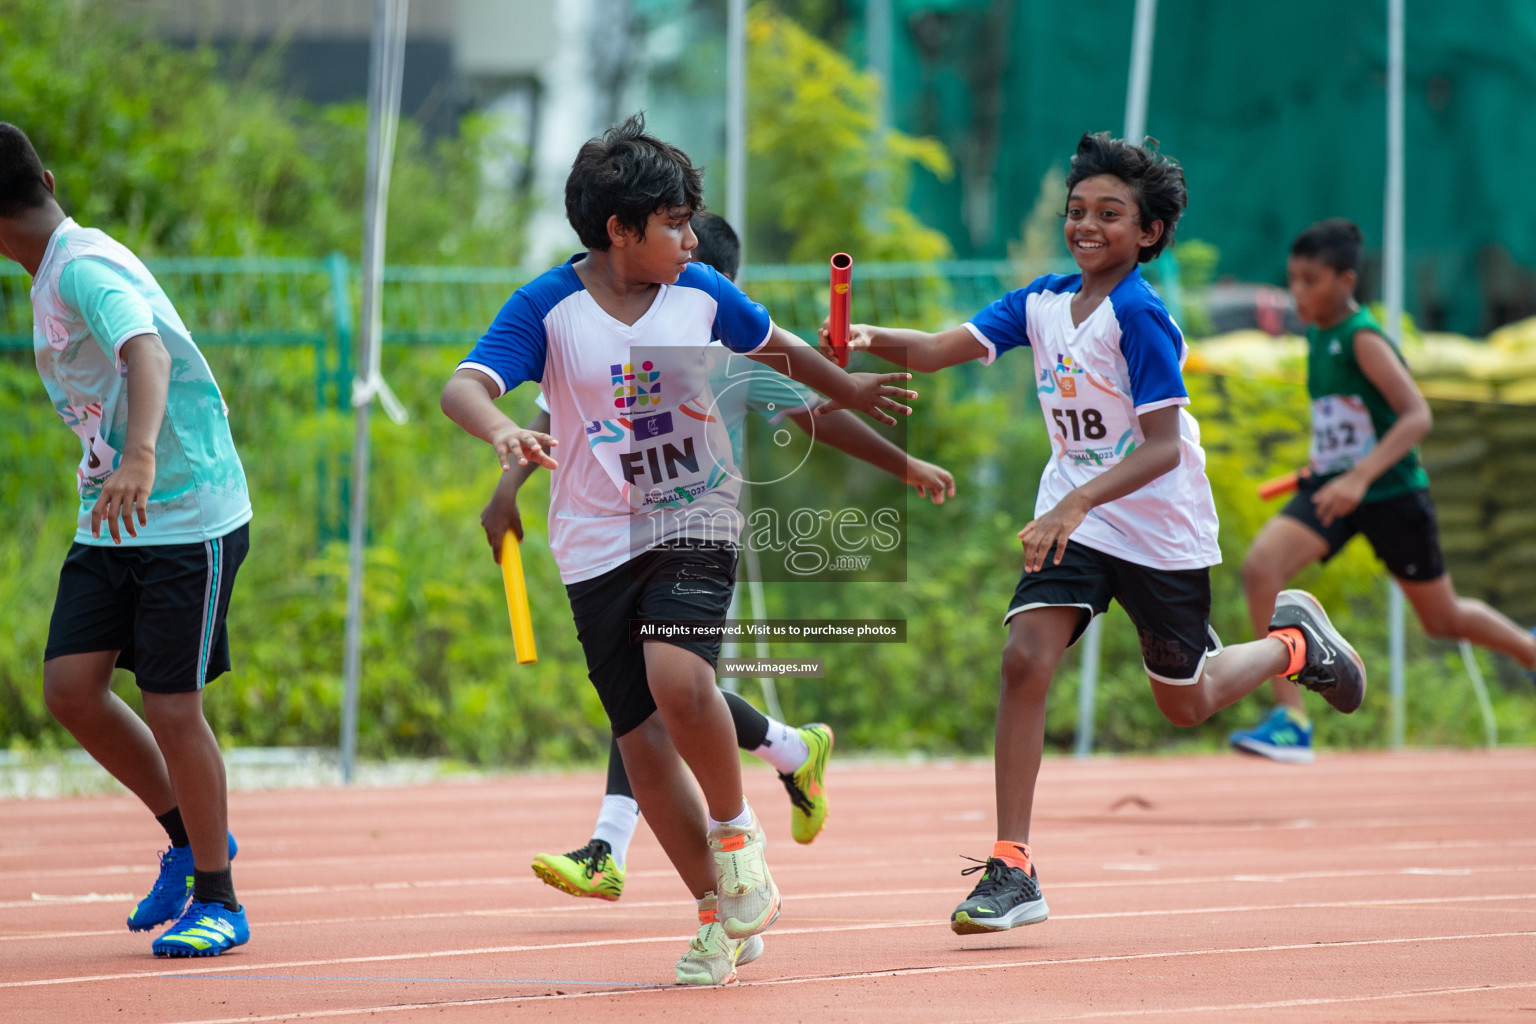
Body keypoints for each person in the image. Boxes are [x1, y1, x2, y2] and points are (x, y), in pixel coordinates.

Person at [822, 131, 1366, 936]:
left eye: (1110, 214)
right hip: (1075, 515)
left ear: (1147, 233)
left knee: (1187, 704)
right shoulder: (1040, 301)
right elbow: (938, 348)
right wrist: (867, 339)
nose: (1087, 225)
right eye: (1078, 210)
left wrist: (1075, 506)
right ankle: (1014, 866)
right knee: (1024, 658)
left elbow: (1163, 448)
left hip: (1158, 527)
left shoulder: (1142, 319)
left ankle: (1295, 646)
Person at [440, 115, 916, 985]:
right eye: (673, 224)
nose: (691, 240)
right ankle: (719, 913)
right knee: (641, 739)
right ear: (619, 230)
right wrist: (505, 436)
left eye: (692, 223)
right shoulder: (548, 306)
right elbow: (462, 385)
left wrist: (849, 387)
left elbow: (782, 350)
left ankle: (738, 838)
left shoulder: (701, 292)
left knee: (677, 677)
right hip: (590, 543)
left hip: (692, 517)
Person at [481, 213, 956, 902]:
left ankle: (612, 842)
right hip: (607, 539)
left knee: (670, 686)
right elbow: (556, 414)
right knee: (665, 697)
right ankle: (791, 749)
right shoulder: (604, 333)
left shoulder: (726, 344)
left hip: (695, 535)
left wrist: (905, 463)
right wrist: (505, 491)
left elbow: (815, 410)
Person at [0, 123, 251, 957]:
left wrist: (140, 453)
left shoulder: (84, 267)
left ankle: (220, 898)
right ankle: (187, 842)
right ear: (45, 172)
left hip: (186, 513)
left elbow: (144, 350)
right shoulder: (49, 272)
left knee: (174, 706)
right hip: (114, 516)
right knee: (72, 689)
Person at [1229, 219, 1536, 763]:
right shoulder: (1319, 336)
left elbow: (1416, 417)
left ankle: (1530, 651)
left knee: (1442, 619)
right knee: (1261, 567)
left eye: (1311, 280)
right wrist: (1329, 467)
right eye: (1293, 279)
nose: (1299, 292)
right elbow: (1348, 421)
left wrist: (1359, 476)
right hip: (1334, 492)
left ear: (1346, 280)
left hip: (1389, 495)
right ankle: (1291, 721)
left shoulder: (1362, 338)